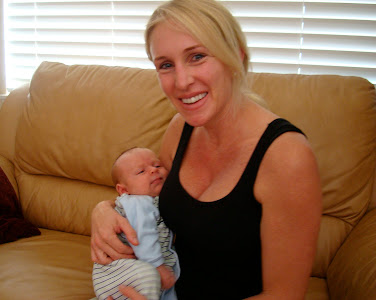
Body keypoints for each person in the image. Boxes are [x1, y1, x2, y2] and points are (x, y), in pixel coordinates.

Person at [91, 0, 322, 299]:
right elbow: (151, 198)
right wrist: (102, 210)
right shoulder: (180, 128)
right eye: (166, 65)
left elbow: (285, 295)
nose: (182, 82)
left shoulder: (286, 156)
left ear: (235, 57)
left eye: (197, 56)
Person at [92, 147, 180, 300]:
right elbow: (142, 235)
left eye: (157, 165)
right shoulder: (137, 202)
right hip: (117, 270)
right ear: (124, 190)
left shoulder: (156, 202)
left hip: (135, 272)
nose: (153, 170)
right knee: (152, 277)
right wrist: (158, 266)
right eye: (141, 171)